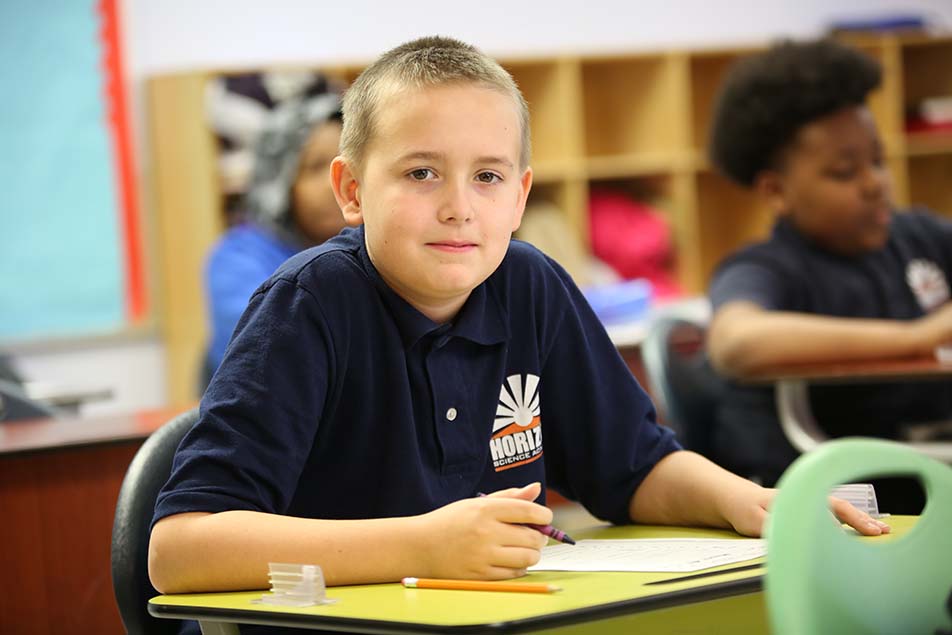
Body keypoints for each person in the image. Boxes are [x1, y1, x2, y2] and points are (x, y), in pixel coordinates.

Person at [149, 37, 885, 607]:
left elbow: (634, 468)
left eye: (488, 176)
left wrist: (756, 501)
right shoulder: (307, 305)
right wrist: (420, 545)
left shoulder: (531, 285)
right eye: (420, 173)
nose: (458, 207)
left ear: (521, 196)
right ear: (351, 189)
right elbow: (179, 550)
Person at [705, 39, 952, 499]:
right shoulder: (765, 267)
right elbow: (736, 342)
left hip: (930, 471)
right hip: (830, 501)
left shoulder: (920, 237)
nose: (875, 184)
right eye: (844, 172)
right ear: (776, 191)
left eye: (878, 161)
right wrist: (919, 336)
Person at [203, 85, 346, 377]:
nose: (336, 183)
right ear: (278, 180)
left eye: (347, 164)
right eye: (315, 167)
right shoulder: (238, 257)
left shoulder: (377, 251)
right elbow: (271, 345)